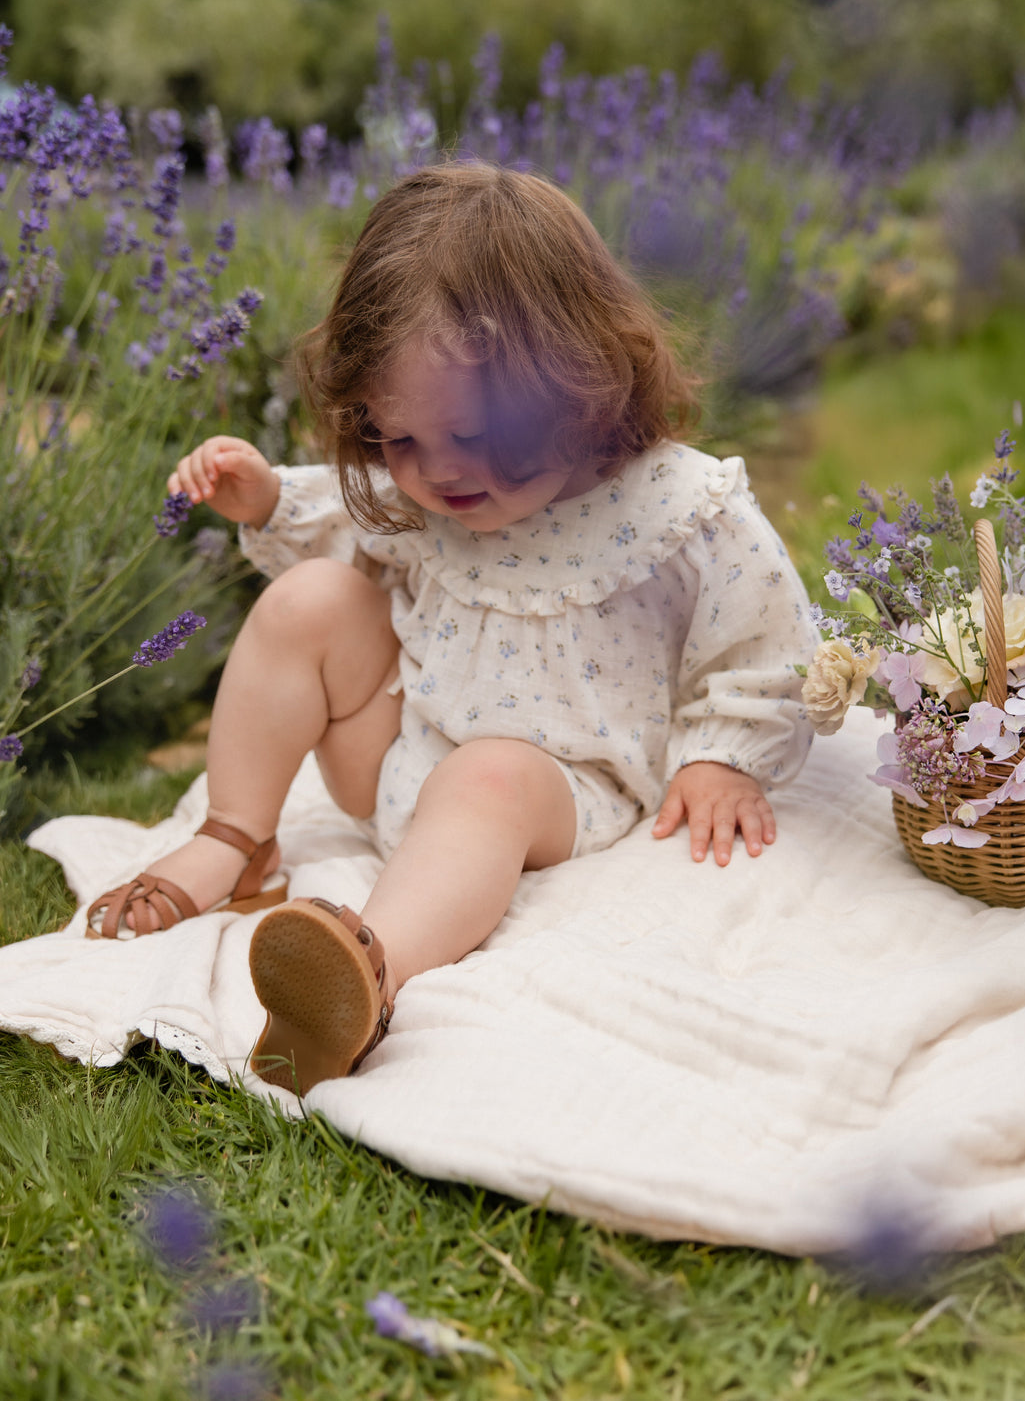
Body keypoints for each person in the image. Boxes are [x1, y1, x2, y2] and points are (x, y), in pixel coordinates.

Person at [86, 162, 818, 1093]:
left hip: (555, 787)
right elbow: (350, 523)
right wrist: (266, 496)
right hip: (403, 755)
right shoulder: (431, 486)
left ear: (579, 383)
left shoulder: (676, 503)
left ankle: (362, 970)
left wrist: (722, 754)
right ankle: (237, 840)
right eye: (400, 440)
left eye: (476, 437)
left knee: (490, 773)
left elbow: (762, 635)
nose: (438, 474)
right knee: (308, 598)